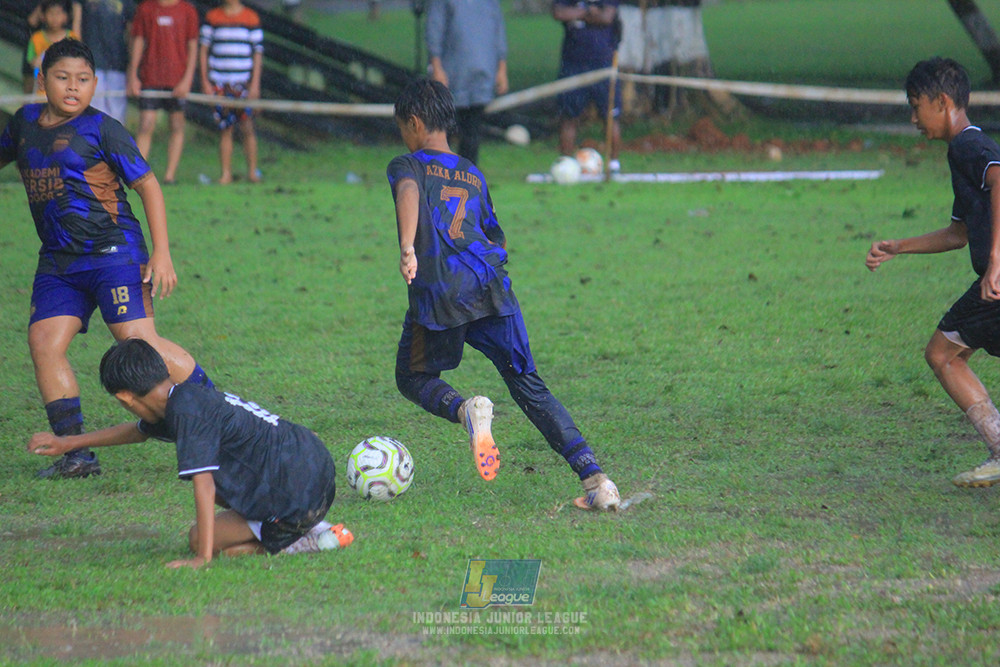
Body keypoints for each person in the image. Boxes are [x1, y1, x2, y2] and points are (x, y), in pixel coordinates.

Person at [386, 79, 620, 510]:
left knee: (413, 377)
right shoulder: (473, 173)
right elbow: (498, 237)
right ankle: (597, 480)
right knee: (529, 385)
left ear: (415, 123)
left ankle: (466, 410)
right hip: (492, 288)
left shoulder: (407, 164)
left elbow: (408, 192)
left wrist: (407, 247)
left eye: (403, 127)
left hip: (442, 293)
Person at [0, 38, 214, 480]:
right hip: (59, 262)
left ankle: (219, 411)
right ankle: (76, 454)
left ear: (95, 84)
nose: (72, 88)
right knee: (44, 343)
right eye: (62, 78)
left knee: (139, 345)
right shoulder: (22, 125)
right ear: (42, 82)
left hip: (114, 254)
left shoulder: (103, 128)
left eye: (82, 80)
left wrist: (163, 253)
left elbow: (149, 185)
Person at [27, 339, 354, 568]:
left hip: (298, 493)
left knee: (200, 538)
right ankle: (299, 525)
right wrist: (68, 443)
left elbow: (204, 484)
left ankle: (301, 537)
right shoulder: (183, 397)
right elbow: (137, 431)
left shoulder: (186, 414)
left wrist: (202, 558)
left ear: (125, 397)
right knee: (229, 494)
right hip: (317, 468)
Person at [867, 57, 1000, 488]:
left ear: (941, 102)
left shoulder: (967, 145)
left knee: (942, 354)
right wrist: (899, 247)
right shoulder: (961, 153)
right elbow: (958, 234)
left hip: (997, 282)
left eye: (915, 106)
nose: (912, 118)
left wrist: (996, 259)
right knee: (946, 353)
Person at [425, 0, 508, 166]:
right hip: (452, 78)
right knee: (442, 135)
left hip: (481, 77)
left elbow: (498, 33)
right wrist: (437, 67)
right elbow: (434, 29)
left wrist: (501, 70)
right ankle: (439, 181)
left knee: (472, 135)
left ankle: (467, 182)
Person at [127, 0, 199, 184]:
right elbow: (138, 41)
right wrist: (133, 74)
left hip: (177, 79)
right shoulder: (146, 9)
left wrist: (187, 80)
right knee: (146, 125)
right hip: (150, 76)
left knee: (176, 125)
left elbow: (192, 46)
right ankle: (138, 174)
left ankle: (169, 175)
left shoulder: (188, 11)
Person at [552, 0, 621, 173]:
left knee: (610, 116)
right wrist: (588, 12)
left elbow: (607, 17)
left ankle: (613, 163)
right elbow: (559, 13)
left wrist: (576, 13)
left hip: (603, 64)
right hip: (572, 65)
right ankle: (565, 163)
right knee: (569, 117)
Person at [199, 0, 264, 184]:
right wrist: (205, 81)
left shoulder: (250, 18)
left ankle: (252, 172)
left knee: (248, 127)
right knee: (225, 128)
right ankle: (225, 173)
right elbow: (204, 50)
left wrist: (254, 85)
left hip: (242, 84)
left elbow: (257, 53)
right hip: (220, 83)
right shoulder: (213, 18)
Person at [72, 0, 136, 125]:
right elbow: (76, 26)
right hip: (90, 62)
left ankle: (113, 143)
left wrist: (131, 65)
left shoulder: (127, 3)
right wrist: (77, 58)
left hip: (118, 63)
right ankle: (93, 143)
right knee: (93, 111)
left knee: (117, 114)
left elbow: (131, 33)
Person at [25, 0, 79, 95]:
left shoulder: (72, 38)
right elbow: (32, 62)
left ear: (66, 16)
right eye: (51, 13)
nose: (54, 18)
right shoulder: (36, 38)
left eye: (58, 13)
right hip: (41, 92)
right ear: (43, 16)